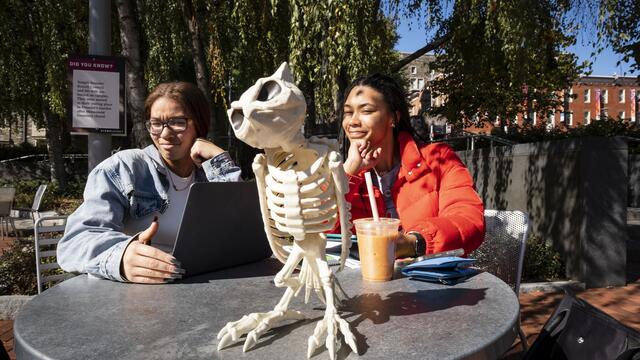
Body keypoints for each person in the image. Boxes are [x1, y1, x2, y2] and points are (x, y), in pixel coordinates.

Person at [58, 82, 241, 284]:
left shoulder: (208, 174)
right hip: (139, 299)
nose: (165, 134)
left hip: (203, 287)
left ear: (199, 124)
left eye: (177, 122)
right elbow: (76, 242)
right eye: (156, 123)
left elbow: (241, 231)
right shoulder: (124, 168)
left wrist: (221, 162)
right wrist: (122, 257)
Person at [339, 73, 485, 258]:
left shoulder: (438, 160)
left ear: (393, 117)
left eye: (366, 111)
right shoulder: (346, 174)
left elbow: (468, 220)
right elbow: (319, 233)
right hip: (364, 283)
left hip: (433, 283)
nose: (352, 121)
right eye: (348, 112)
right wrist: (348, 173)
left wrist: (414, 243)